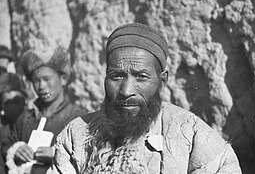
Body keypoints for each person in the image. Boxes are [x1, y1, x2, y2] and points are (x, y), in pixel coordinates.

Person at [54, 23, 242, 174]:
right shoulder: (76, 136)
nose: (126, 91)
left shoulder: (194, 137)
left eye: (141, 77)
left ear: (162, 81)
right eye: (116, 76)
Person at [1, 47, 87, 174]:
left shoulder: (78, 118)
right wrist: (16, 150)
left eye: (46, 79)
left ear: (62, 79)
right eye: (36, 81)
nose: (41, 86)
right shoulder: (25, 118)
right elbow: (6, 145)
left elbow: (86, 158)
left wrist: (57, 155)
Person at [0, 73, 27, 145]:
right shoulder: (2, 129)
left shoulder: (32, 122)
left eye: (16, 100)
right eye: (8, 102)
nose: (13, 106)